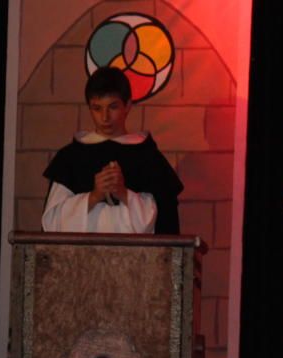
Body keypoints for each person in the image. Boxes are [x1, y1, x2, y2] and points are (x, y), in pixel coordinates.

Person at [41, 67, 183, 234]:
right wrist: (93, 197)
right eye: (97, 108)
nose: (105, 117)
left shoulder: (149, 159)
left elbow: (165, 224)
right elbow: (52, 222)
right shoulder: (71, 158)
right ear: (89, 107)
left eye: (113, 107)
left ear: (127, 105)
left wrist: (123, 194)